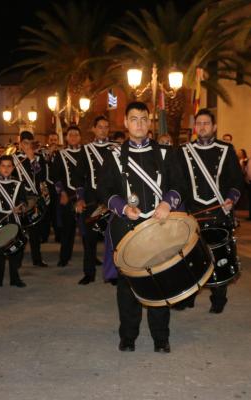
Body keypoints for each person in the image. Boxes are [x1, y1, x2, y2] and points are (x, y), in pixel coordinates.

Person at [98, 101, 183, 353]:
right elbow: (104, 191)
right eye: (134, 119)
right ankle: (128, 336)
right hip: (128, 227)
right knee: (128, 286)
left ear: (150, 122)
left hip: (159, 226)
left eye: (144, 119)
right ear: (125, 123)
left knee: (160, 282)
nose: (139, 124)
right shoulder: (113, 156)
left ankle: (161, 337)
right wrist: (123, 208)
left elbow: (179, 185)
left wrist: (168, 203)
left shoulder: (167, 153)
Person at [175, 109, 243, 313]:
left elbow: (237, 180)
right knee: (191, 259)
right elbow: (179, 182)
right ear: (195, 127)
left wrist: (231, 198)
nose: (202, 126)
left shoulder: (226, 149)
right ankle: (189, 296)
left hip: (219, 213)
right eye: (199, 123)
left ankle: (219, 298)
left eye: (206, 123)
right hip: (194, 213)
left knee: (218, 255)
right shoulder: (183, 151)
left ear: (214, 127)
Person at [74, 115, 114, 285]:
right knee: (89, 239)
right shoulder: (85, 150)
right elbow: (78, 177)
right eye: (100, 127)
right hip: (91, 201)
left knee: (112, 239)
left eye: (106, 127)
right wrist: (80, 199)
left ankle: (113, 274)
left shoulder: (116, 148)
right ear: (94, 129)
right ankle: (89, 273)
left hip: (112, 201)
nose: (103, 130)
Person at [0, 156, 27, 288]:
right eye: (3, 166)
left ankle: (15, 278)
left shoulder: (19, 184)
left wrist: (21, 209)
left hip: (14, 221)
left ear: (13, 168)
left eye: (9, 166)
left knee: (15, 251)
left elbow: (24, 203)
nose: (6, 169)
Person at [12, 131, 49, 267]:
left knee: (35, 230)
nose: (27, 146)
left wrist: (32, 159)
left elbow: (42, 177)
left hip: (34, 198)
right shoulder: (13, 159)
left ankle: (37, 259)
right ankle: (17, 260)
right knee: (18, 230)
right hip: (19, 199)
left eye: (30, 143)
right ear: (20, 144)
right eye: (25, 143)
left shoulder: (38, 158)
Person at [52, 126, 85, 267]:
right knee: (67, 229)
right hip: (68, 196)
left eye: (76, 134)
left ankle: (91, 256)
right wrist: (62, 193)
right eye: (70, 135)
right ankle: (64, 257)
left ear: (80, 137)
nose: (73, 137)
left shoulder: (86, 153)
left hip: (83, 197)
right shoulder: (61, 154)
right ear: (66, 137)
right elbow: (56, 176)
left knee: (87, 229)